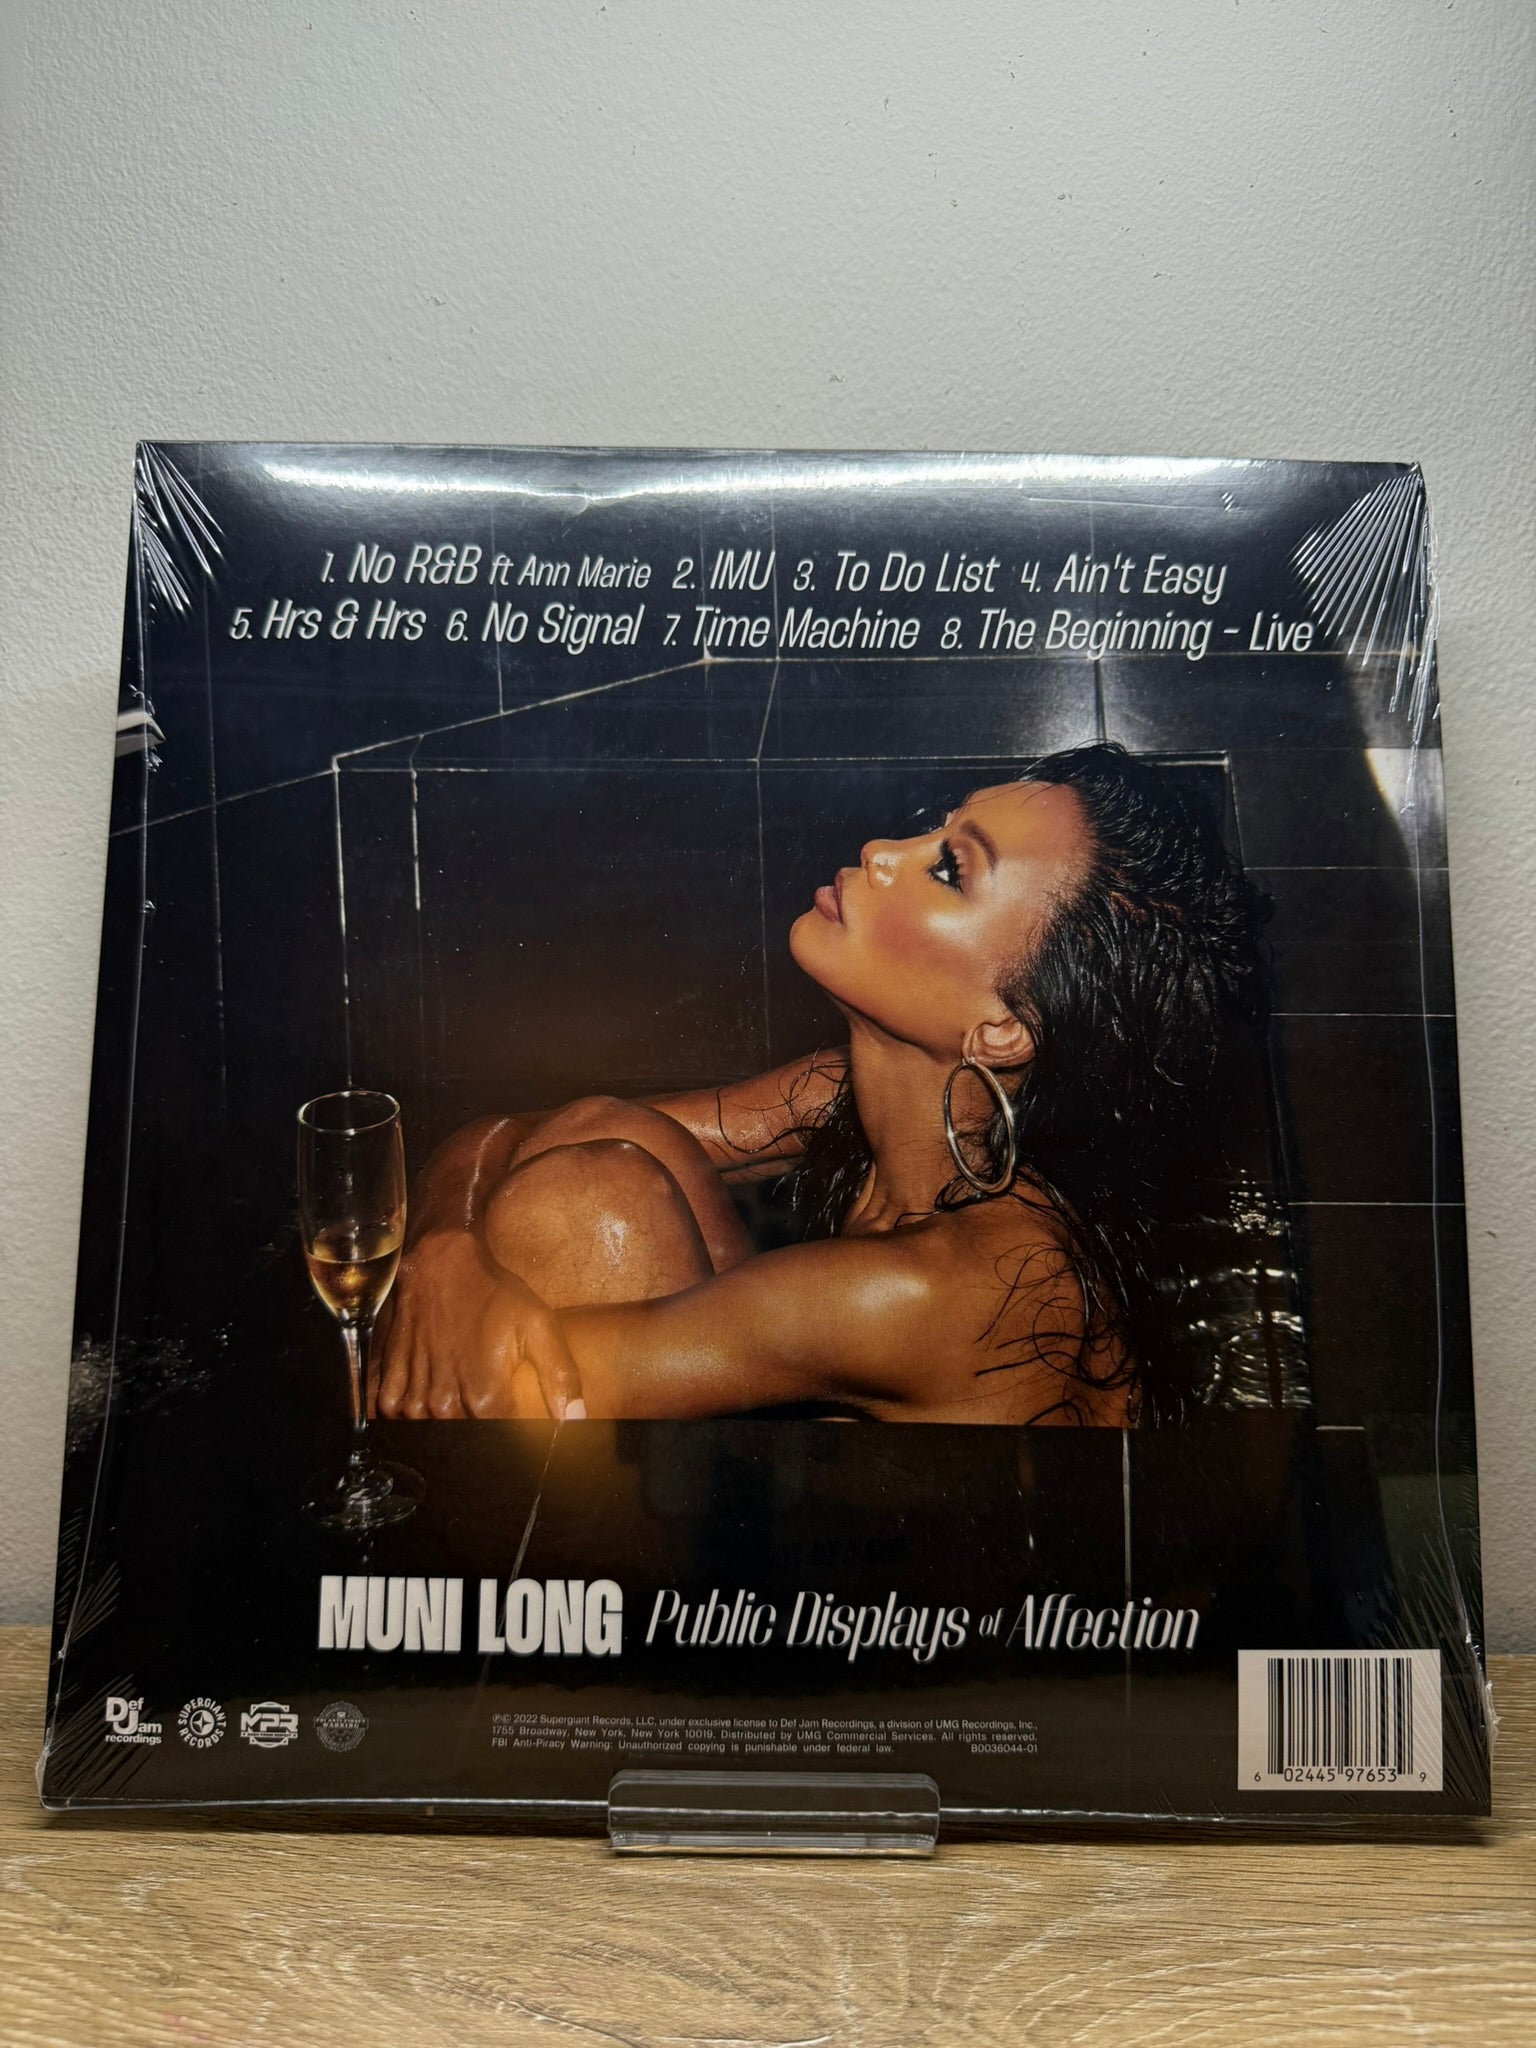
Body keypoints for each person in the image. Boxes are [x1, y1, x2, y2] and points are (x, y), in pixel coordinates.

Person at [373, 743, 1267, 1427]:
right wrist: (442, 1248)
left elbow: (479, 1391)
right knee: (606, 1143)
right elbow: (500, 1132)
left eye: (949, 869)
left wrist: (439, 1295)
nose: (882, 851)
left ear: (1002, 1029)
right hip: (820, 1546)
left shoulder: (944, 1291)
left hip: (936, 1622)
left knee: (576, 1203)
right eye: (935, 828)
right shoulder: (868, 1096)